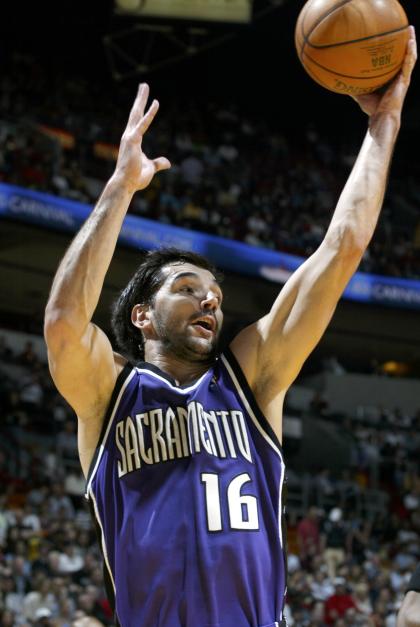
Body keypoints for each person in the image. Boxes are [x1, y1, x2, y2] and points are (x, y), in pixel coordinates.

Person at [44, 28, 417, 627]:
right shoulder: (108, 393)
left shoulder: (253, 376)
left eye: (214, 295)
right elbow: (64, 322)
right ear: (142, 315)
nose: (209, 302)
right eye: (187, 290)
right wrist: (119, 189)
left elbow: (343, 245)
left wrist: (385, 121)